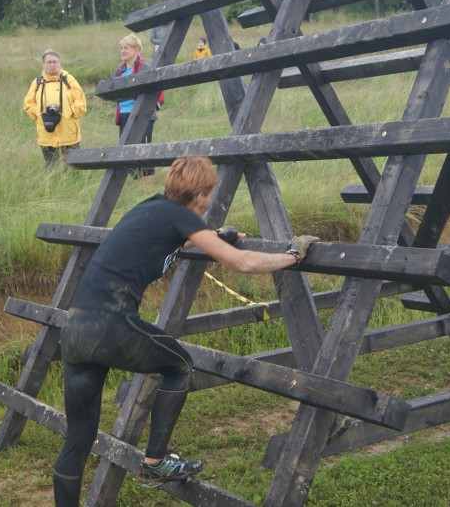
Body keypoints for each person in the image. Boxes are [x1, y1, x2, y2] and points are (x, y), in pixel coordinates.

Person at [52, 156, 319, 506]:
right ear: (198, 194)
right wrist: (292, 257)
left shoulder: (151, 210)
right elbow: (242, 262)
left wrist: (213, 236)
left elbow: (164, 243)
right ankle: (155, 463)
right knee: (179, 365)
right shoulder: (181, 216)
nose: (208, 202)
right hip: (110, 324)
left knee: (79, 438)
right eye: (208, 194)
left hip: (75, 330)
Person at [23, 49, 87, 167]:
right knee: (51, 169)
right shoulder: (37, 82)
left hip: (68, 135)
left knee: (72, 169)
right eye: (49, 62)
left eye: (55, 62)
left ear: (60, 63)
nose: (52, 65)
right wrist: (39, 113)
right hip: (46, 134)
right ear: (43, 64)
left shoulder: (69, 80)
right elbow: (28, 104)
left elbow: (81, 102)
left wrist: (70, 113)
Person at [114, 33, 160, 178]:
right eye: (121, 48)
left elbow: (151, 92)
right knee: (127, 151)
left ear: (136, 50)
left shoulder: (145, 68)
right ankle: (135, 182)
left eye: (126, 48)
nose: (122, 51)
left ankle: (147, 185)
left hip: (142, 115)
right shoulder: (118, 71)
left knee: (144, 151)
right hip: (124, 114)